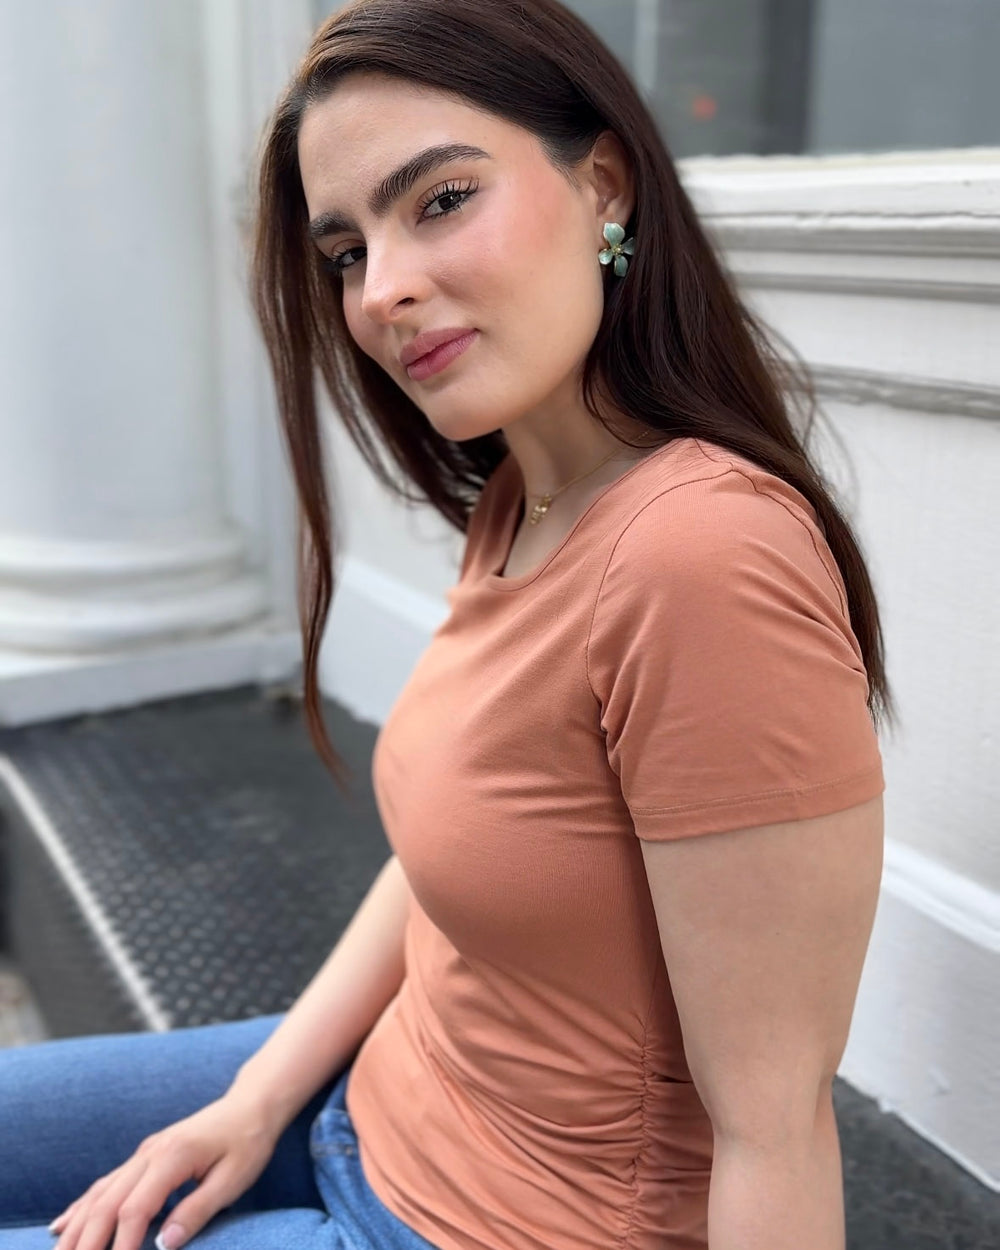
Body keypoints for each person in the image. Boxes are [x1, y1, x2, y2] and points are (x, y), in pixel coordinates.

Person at [0, 1, 896, 1249]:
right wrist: (253, 1100)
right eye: (345, 250)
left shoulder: (701, 557)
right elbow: (442, 859)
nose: (383, 291)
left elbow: (774, 1125)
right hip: (370, 1093)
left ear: (603, 185)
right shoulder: (526, 494)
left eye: (440, 199)